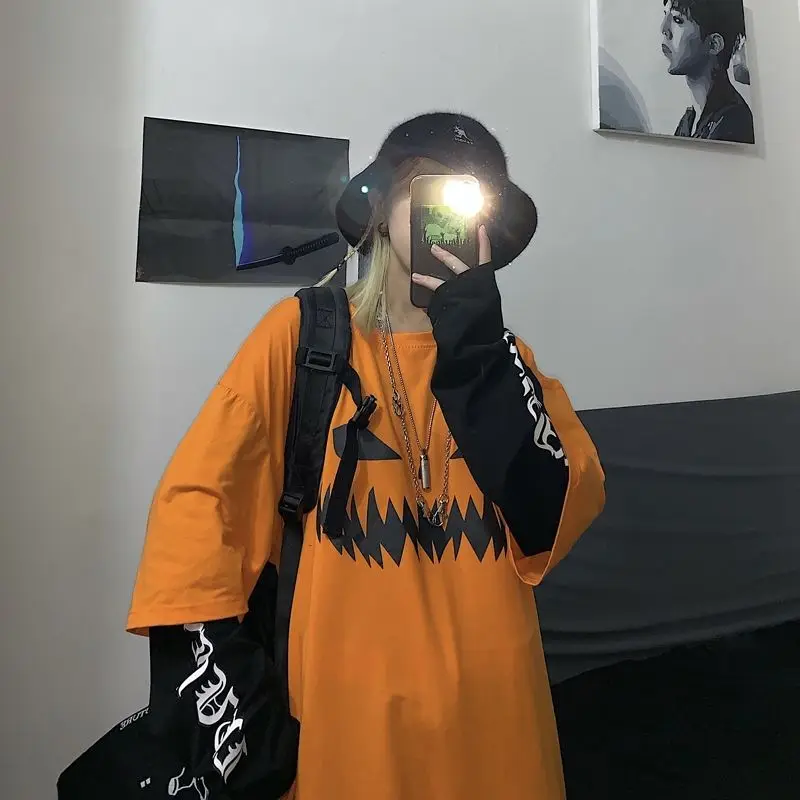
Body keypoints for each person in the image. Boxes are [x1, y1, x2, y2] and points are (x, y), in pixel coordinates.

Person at [126, 112, 606, 800]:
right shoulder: (303, 339)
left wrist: (474, 339)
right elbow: (196, 512)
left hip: (499, 735)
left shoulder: (505, 361)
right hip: (347, 740)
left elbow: (554, 513)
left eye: (467, 197)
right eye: (429, 188)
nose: (446, 215)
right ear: (381, 209)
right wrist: (234, 706)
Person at [660, 0, 754, 143]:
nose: (664, 29)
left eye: (678, 20)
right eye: (665, 15)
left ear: (714, 44)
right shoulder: (689, 119)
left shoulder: (733, 121)